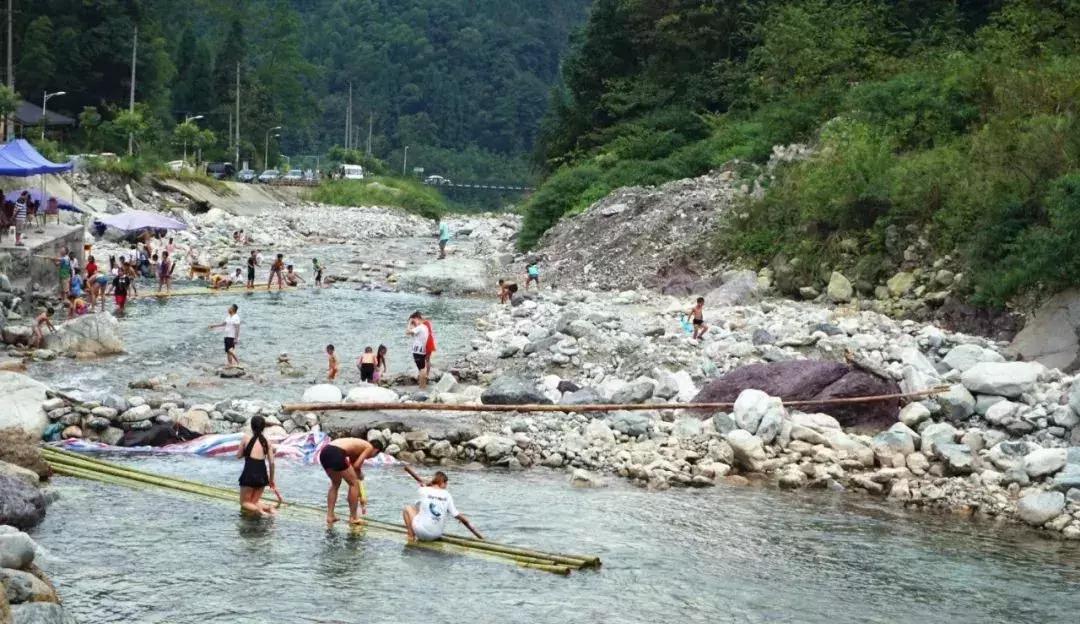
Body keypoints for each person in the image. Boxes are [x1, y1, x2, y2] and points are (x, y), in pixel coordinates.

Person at [401, 465, 483, 542]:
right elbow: (456, 515)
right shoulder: (447, 495)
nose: (446, 486)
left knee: (407, 509)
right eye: (446, 484)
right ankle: (414, 534)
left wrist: (426, 486)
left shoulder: (423, 490)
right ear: (442, 483)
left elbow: (418, 508)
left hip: (422, 534)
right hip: (436, 535)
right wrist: (466, 521)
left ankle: (411, 536)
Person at [318, 437, 385, 525]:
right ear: (376, 451)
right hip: (336, 452)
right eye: (373, 456)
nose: (369, 458)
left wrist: (360, 492)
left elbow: (353, 467)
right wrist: (360, 475)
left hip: (325, 452)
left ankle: (330, 516)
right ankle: (353, 517)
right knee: (354, 484)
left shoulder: (358, 446)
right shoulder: (369, 447)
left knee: (335, 483)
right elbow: (357, 466)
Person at [237, 415, 282, 517]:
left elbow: (238, 455)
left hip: (249, 473)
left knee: (244, 503)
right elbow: (272, 463)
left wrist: (247, 451)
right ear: (263, 428)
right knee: (253, 501)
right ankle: (269, 508)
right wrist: (271, 480)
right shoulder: (267, 442)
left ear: (252, 427)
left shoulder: (245, 438)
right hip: (262, 474)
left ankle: (261, 512)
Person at [406, 311, 436, 389]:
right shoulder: (424, 327)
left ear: (417, 318)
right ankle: (422, 386)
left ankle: (422, 387)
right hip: (422, 350)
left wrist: (409, 323)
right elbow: (413, 334)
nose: (414, 323)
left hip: (418, 351)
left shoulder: (420, 327)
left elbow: (407, 332)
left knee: (421, 370)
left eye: (414, 321)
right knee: (422, 369)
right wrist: (414, 324)